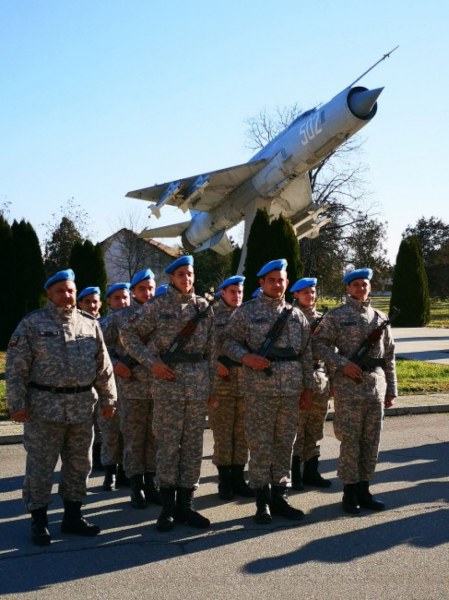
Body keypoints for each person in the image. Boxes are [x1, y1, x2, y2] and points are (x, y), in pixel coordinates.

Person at [6, 269, 117, 546]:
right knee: (41, 466)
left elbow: (104, 367)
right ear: (49, 294)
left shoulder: (90, 324)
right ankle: (39, 521)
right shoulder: (32, 325)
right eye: (60, 291)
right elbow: (16, 368)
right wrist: (17, 404)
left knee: (80, 465)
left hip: (81, 408)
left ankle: (72, 517)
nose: (66, 296)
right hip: (45, 409)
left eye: (70, 290)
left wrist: (108, 399)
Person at [121, 255, 214, 532]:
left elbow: (211, 351)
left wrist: (210, 387)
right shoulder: (156, 305)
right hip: (167, 386)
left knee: (193, 447)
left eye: (190, 273)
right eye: (181, 274)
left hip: (197, 386)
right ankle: (168, 508)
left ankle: (187, 505)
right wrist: (152, 363)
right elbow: (129, 333)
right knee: (168, 446)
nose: (186, 279)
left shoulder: (204, 307)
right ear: (171, 278)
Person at [221, 259, 314, 524]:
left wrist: (307, 388)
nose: (277, 284)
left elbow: (306, 354)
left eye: (281, 280)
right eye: (271, 280)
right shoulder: (246, 312)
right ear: (261, 283)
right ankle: (262, 500)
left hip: (291, 390)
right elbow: (226, 341)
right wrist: (245, 357)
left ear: (287, 283)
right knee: (261, 444)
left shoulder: (297, 316)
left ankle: (280, 496)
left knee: (285, 443)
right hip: (259, 390)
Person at [313, 268, 397, 514]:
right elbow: (317, 345)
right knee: (350, 442)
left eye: (365, 284)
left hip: (376, 387)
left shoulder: (380, 318)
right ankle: (349, 494)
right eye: (356, 285)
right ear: (348, 288)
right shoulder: (337, 316)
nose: (361, 288)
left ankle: (365, 489)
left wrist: (391, 389)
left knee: (372, 442)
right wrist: (341, 363)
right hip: (349, 388)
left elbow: (389, 356)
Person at [102, 270, 160, 508]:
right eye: (142, 289)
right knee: (135, 439)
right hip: (132, 388)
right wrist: (115, 365)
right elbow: (96, 346)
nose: (147, 293)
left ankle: (151, 484)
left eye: (150, 288)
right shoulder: (118, 318)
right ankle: (136, 487)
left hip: (160, 388)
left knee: (155, 438)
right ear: (133, 291)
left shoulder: (163, 314)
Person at [209, 275, 253, 500]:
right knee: (223, 434)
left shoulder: (248, 315)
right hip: (221, 384)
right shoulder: (211, 316)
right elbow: (201, 345)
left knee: (242, 433)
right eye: (232, 291)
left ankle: (239, 479)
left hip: (245, 382)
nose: (237, 296)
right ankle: (224, 482)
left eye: (240, 292)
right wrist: (214, 363)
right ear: (222, 293)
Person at [290, 277, 332, 490]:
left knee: (315, 427)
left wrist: (331, 383)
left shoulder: (324, 319)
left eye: (313, 291)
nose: (310, 295)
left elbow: (332, 350)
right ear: (296, 294)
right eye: (305, 292)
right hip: (297, 379)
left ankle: (311, 471)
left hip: (320, 378)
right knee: (297, 427)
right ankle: (294, 473)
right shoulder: (289, 317)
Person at [98, 282, 131, 491]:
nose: (122, 301)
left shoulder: (136, 320)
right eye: (117, 298)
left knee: (129, 430)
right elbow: (96, 350)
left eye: (125, 297)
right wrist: (115, 363)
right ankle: (110, 471)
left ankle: (125, 472)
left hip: (132, 385)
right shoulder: (104, 323)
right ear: (109, 301)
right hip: (109, 384)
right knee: (110, 430)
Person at [77, 286, 103, 470]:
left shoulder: (108, 322)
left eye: (95, 301)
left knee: (104, 421)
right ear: (80, 304)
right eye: (88, 301)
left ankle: (103, 457)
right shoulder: (76, 324)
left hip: (103, 381)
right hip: (83, 384)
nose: (92, 305)